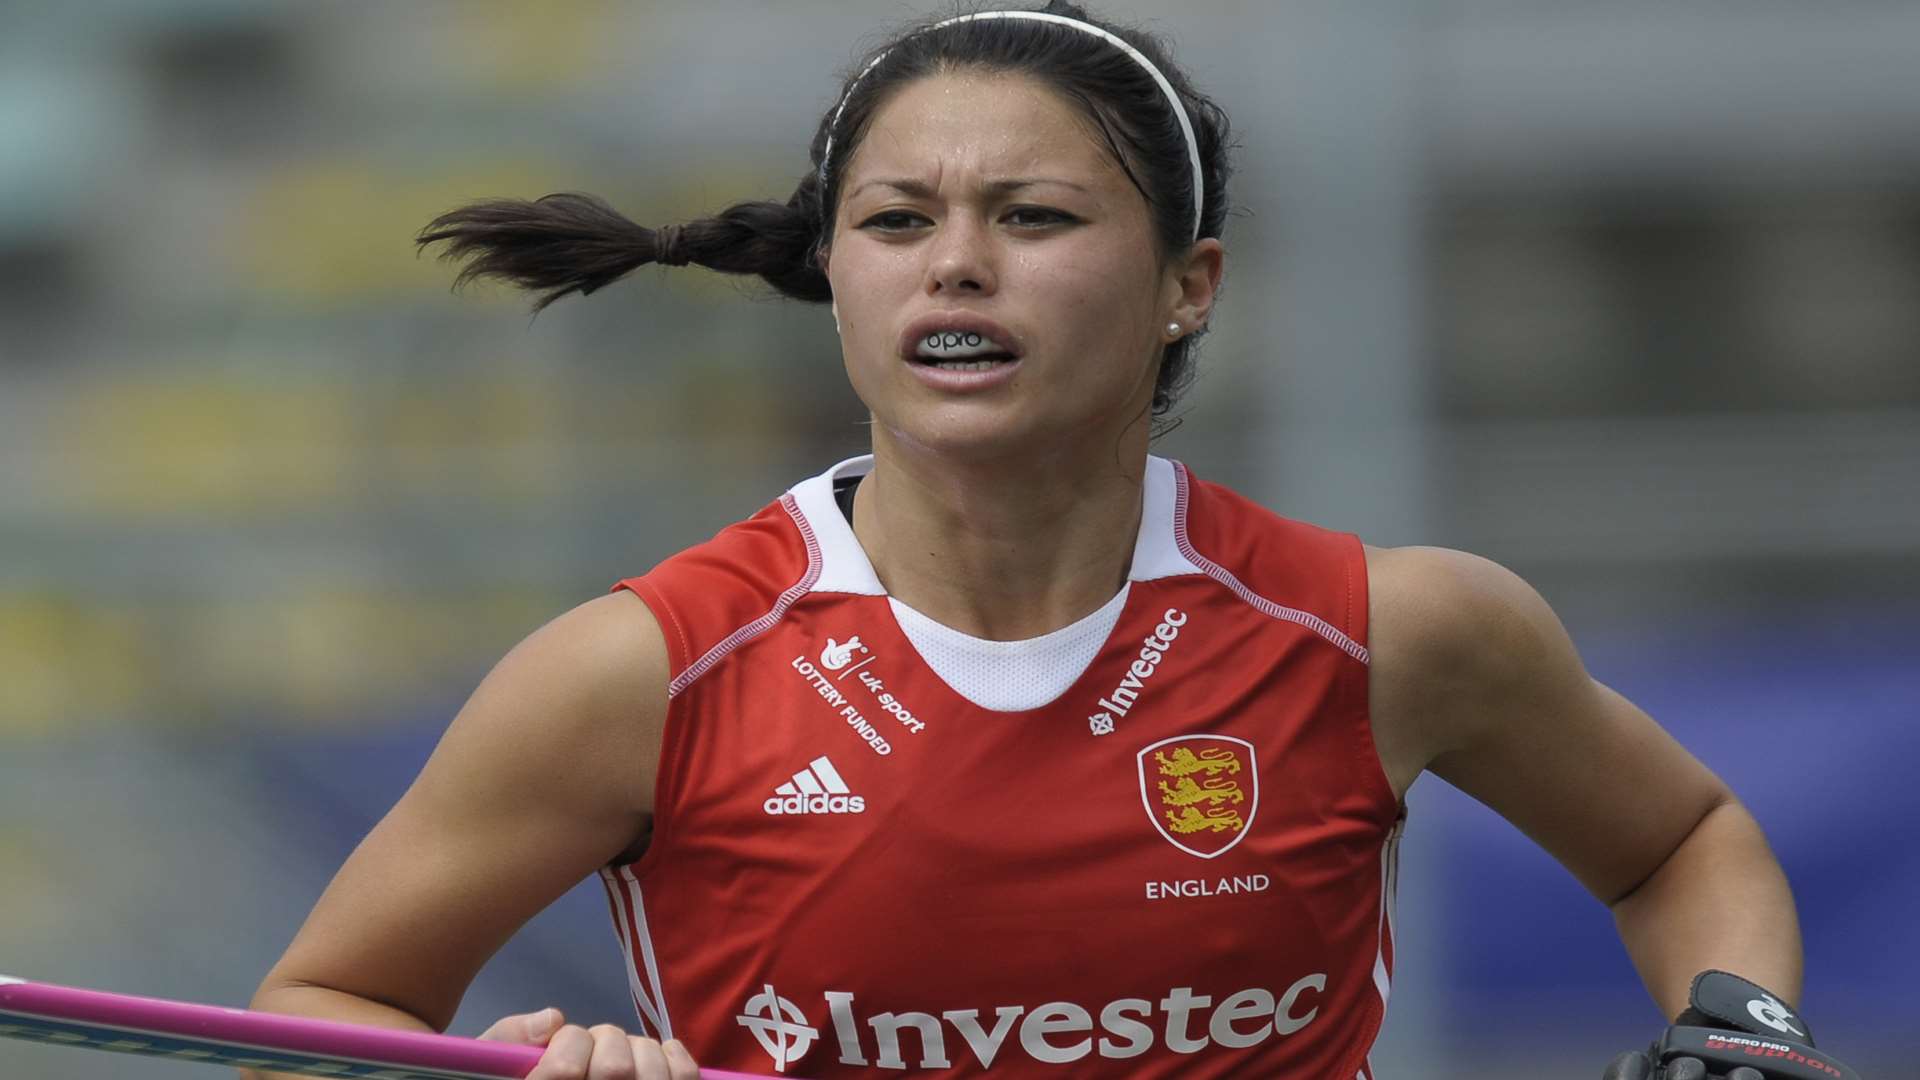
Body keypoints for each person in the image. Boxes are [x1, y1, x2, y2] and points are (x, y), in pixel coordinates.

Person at [247, 3, 1834, 1078]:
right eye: (896, 223)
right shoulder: (641, 672)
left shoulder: (1392, 632)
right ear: (840, 276)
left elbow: (1682, 846)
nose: (956, 269)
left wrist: (1748, 1031)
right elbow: (321, 1014)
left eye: (1036, 218)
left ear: (1187, 285)